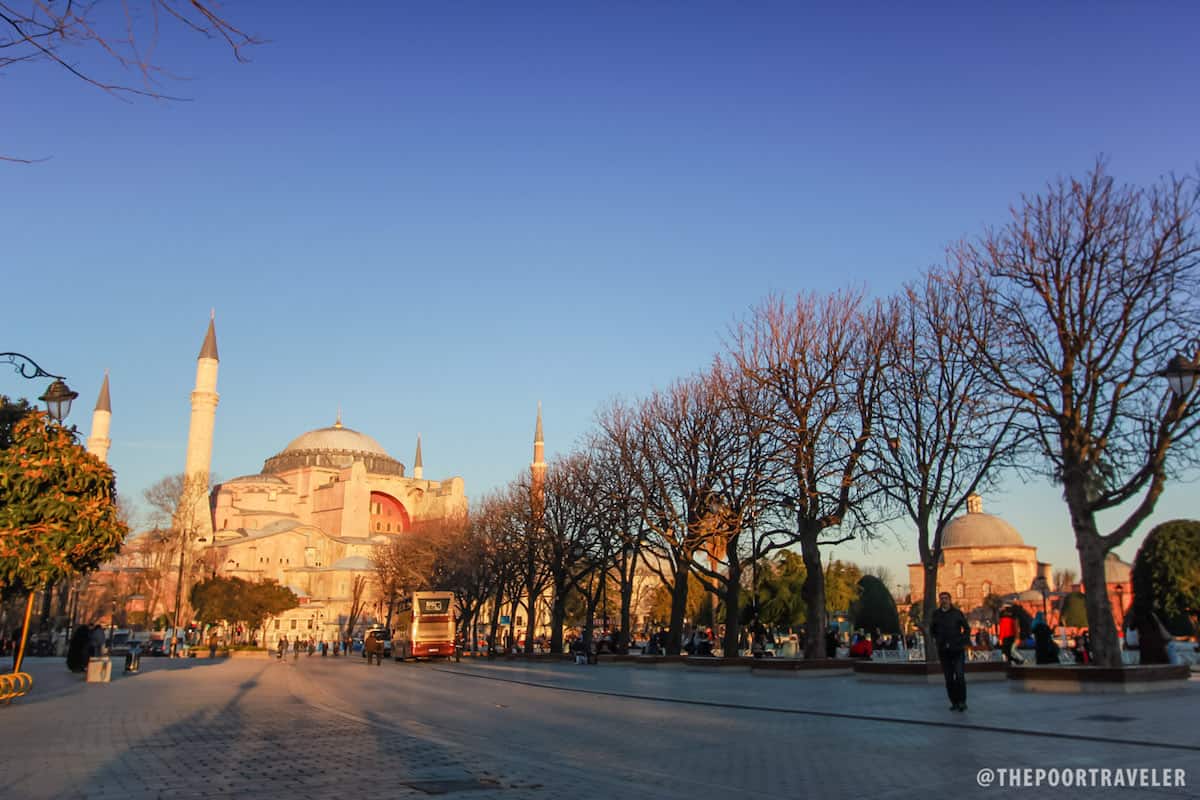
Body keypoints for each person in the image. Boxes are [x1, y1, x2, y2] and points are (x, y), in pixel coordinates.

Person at [930, 591, 970, 712]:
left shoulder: (957, 613)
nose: (944, 600)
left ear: (950, 600)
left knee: (959, 676)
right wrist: (937, 640)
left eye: (946, 598)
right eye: (941, 598)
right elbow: (932, 630)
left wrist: (962, 640)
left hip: (957, 649)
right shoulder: (936, 614)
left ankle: (962, 701)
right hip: (944, 650)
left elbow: (966, 628)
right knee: (949, 678)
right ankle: (954, 702)